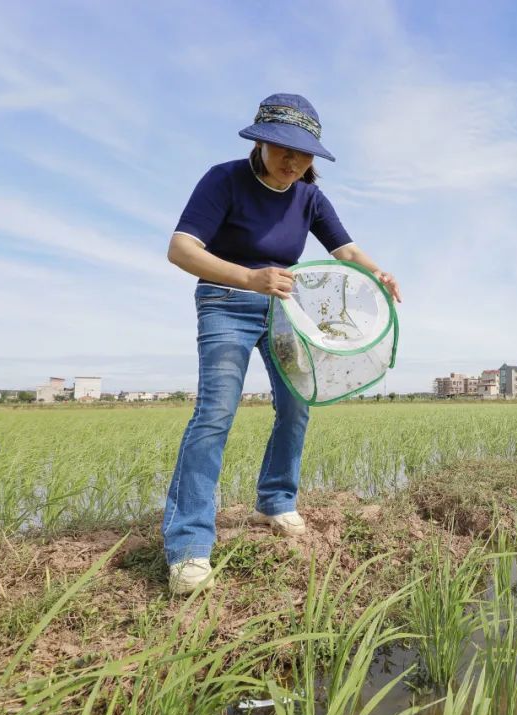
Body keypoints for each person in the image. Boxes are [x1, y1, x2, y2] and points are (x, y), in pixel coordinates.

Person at [162, 93, 402, 595]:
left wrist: (378, 272)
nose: (293, 162)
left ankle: (275, 500)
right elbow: (181, 249)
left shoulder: (309, 198)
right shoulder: (224, 179)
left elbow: (345, 249)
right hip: (226, 302)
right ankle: (188, 545)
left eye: (303, 154)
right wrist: (249, 278)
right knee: (215, 412)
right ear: (260, 143)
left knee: (296, 405)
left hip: (283, 310)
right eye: (283, 150)